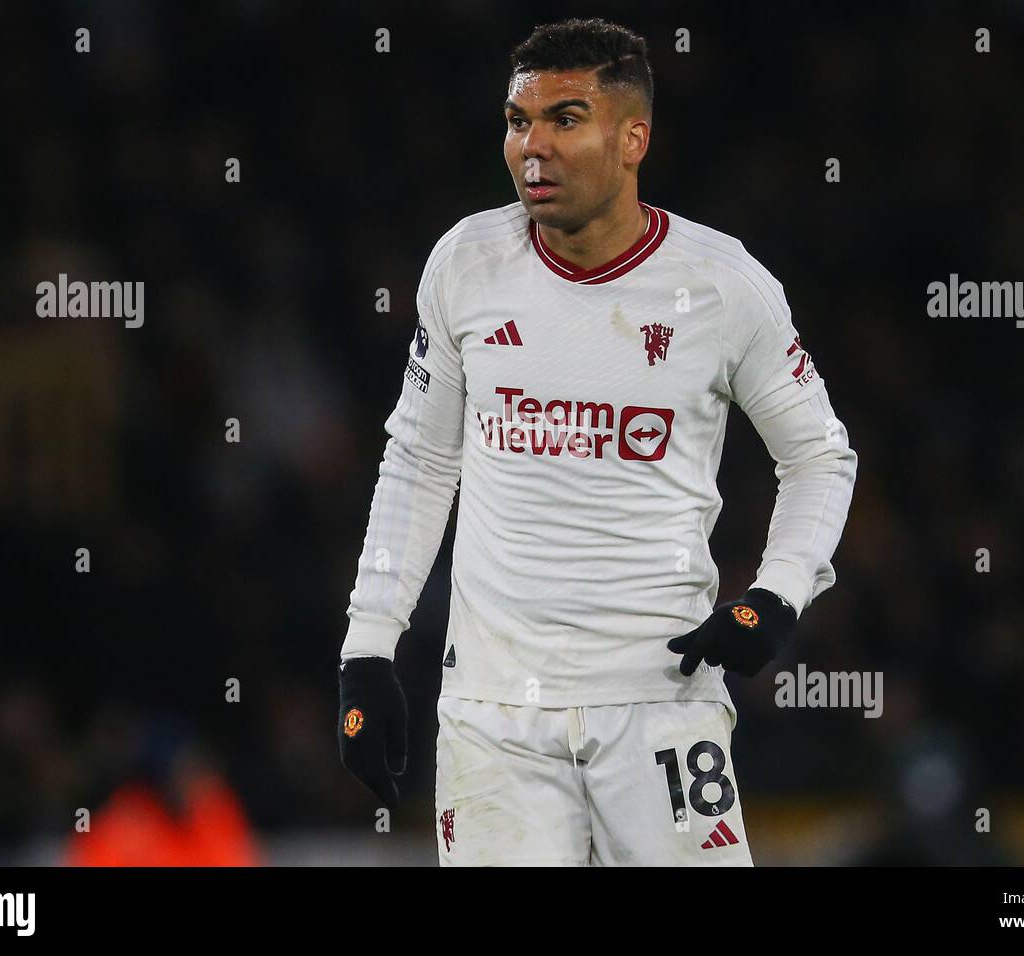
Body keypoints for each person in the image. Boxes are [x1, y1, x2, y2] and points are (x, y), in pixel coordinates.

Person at [337, 17, 857, 866]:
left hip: (660, 702)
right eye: (517, 121)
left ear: (632, 139)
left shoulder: (723, 287)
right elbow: (420, 461)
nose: (532, 147)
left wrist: (780, 595)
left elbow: (819, 456)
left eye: (565, 119)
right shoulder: (465, 264)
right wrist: (367, 648)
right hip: (493, 713)